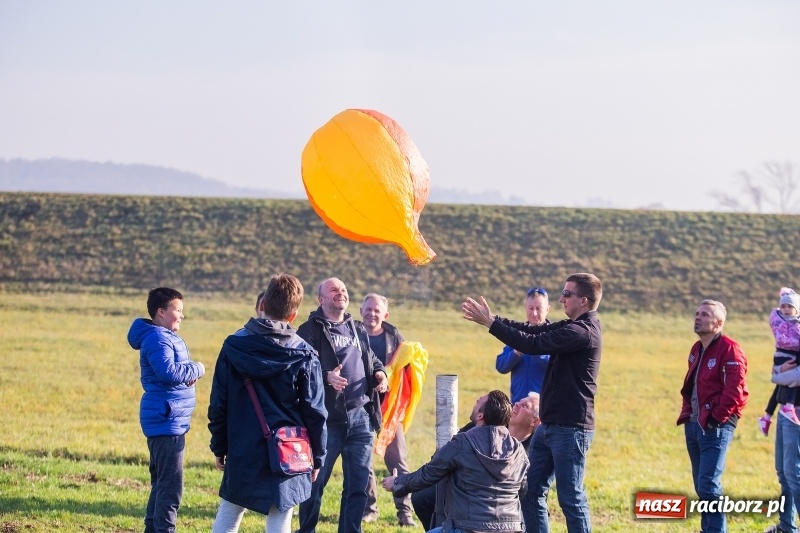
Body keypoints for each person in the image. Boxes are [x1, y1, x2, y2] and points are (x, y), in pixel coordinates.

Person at [462, 272, 602, 533]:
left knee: (571, 499)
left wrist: (491, 324)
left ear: (584, 300)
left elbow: (534, 343)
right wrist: (494, 320)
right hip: (549, 425)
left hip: (570, 429)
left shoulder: (582, 332)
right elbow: (531, 330)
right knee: (530, 490)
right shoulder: (570, 326)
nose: (561, 299)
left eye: (567, 294)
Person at [207, 274, 328, 533]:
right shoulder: (305, 353)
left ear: (262, 305)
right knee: (280, 517)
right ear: (294, 315)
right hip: (288, 448)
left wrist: (219, 445)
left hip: (242, 446)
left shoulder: (233, 346)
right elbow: (315, 411)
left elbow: (218, 404)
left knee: (229, 513)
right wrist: (317, 456)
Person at [296, 278, 389, 533]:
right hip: (326, 420)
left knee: (358, 486)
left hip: (361, 417)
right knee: (315, 483)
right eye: (334, 290)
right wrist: (326, 376)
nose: (341, 293)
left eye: (344, 290)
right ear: (321, 299)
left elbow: (372, 358)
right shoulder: (309, 330)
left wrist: (380, 373)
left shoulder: (357, 328)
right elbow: (298, 368)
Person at [382, 390, 529, 533]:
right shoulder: (519, 450)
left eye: (478, 401)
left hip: (469, 528)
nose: (476, 401)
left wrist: (396, 482)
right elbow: (522, 489)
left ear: (480, 415)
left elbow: (428, 474)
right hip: (512, 528)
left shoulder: (463, 442)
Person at [127, 287, 206, 533]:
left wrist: (187, 373)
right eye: (178, 310)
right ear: (161, 312)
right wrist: (198, 369)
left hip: (168, 418)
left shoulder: (162, 336)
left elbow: (172, 372)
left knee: (161, 484)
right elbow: (168, 372)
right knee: (171, 488)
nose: (182, 315)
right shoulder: (157, 339)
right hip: (167, 420)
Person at [677, 299, 748, 533]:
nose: (698, 317)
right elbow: (690, 386)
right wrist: (689, 414)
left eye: (705, 314)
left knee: (709, 486)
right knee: (702, 486)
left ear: (718, 323)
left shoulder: (730, 349)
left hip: (715, 426)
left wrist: (717, 419)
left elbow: (735, 390)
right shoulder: (696, 349)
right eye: (697, 313)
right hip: (694, 424)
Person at [358, 293, 416, 527]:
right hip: (359, 407)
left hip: (389, 410)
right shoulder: (352, 334)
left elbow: (408, 374)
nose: (372, 314)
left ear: (386, 315)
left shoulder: (395, 339)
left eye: (377, 311)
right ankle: (368, 509)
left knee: (397, 461)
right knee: (363, 460)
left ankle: (405, 513)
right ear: (361, 310)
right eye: (368, 309)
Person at [495, 287, 551, 403]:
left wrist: (534, 349)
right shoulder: (518, 335)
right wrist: (516, 353)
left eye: (538, 308)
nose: (534, 313)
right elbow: (501, 366)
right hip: (518, 406)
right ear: (525, 308)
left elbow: (557, 366)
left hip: (544, 407)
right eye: (530, 308)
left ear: (547, 309)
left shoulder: (554, 335)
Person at [759, 288, 800, 437]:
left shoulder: (780, 321)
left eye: (790, 306)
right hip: (788, 355)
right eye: (783, 306)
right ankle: (789, 406)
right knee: (794, 380)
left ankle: (767, 417)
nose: (786, 309)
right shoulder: (787, 323)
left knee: (780, 385)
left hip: (781, 356)